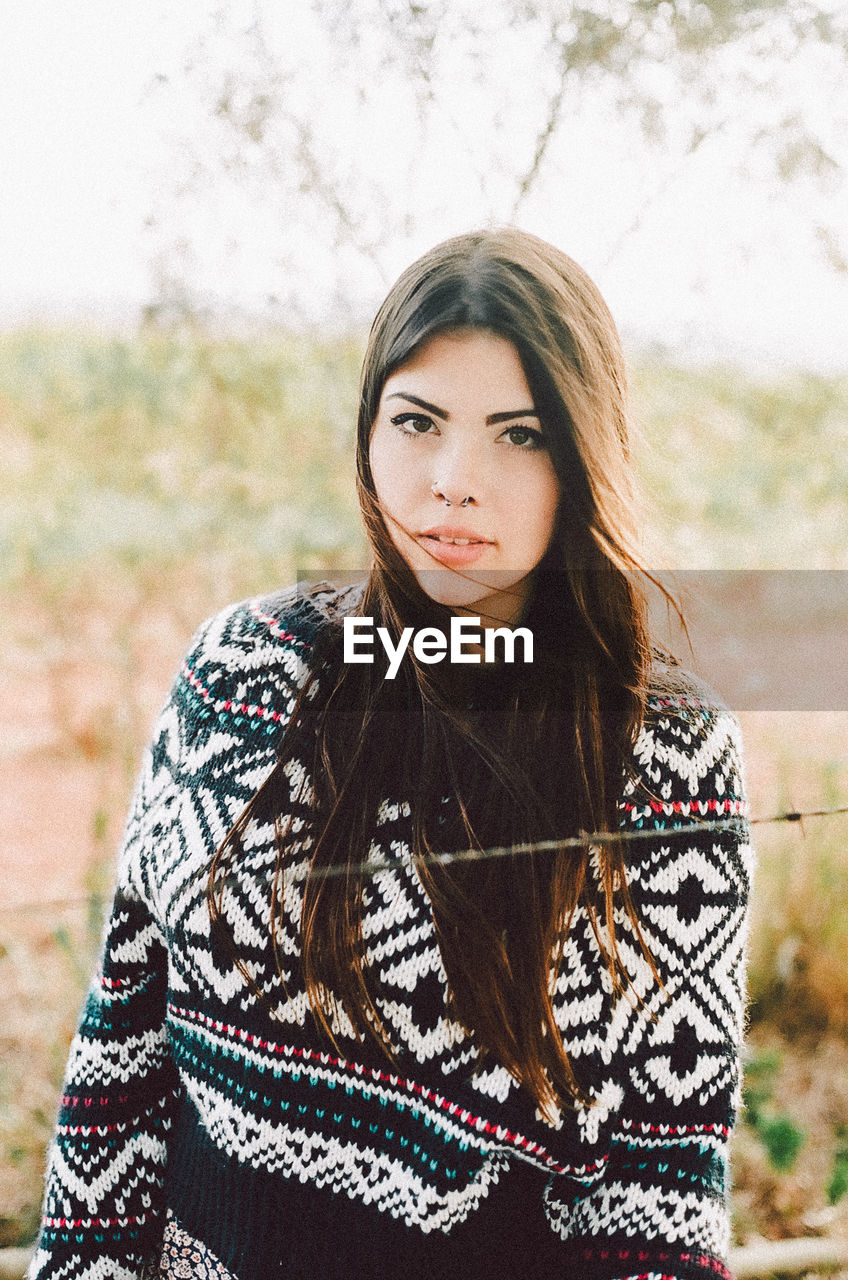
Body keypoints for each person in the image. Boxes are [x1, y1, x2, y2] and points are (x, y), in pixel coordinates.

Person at [29, 228, 753, 1280]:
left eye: (520, 435)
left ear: (584, 454)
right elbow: (124, 1057)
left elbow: (657, 1189)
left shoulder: (662, 749)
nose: (453, 482)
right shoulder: (241, 669)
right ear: (368, 429)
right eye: (417, 421)